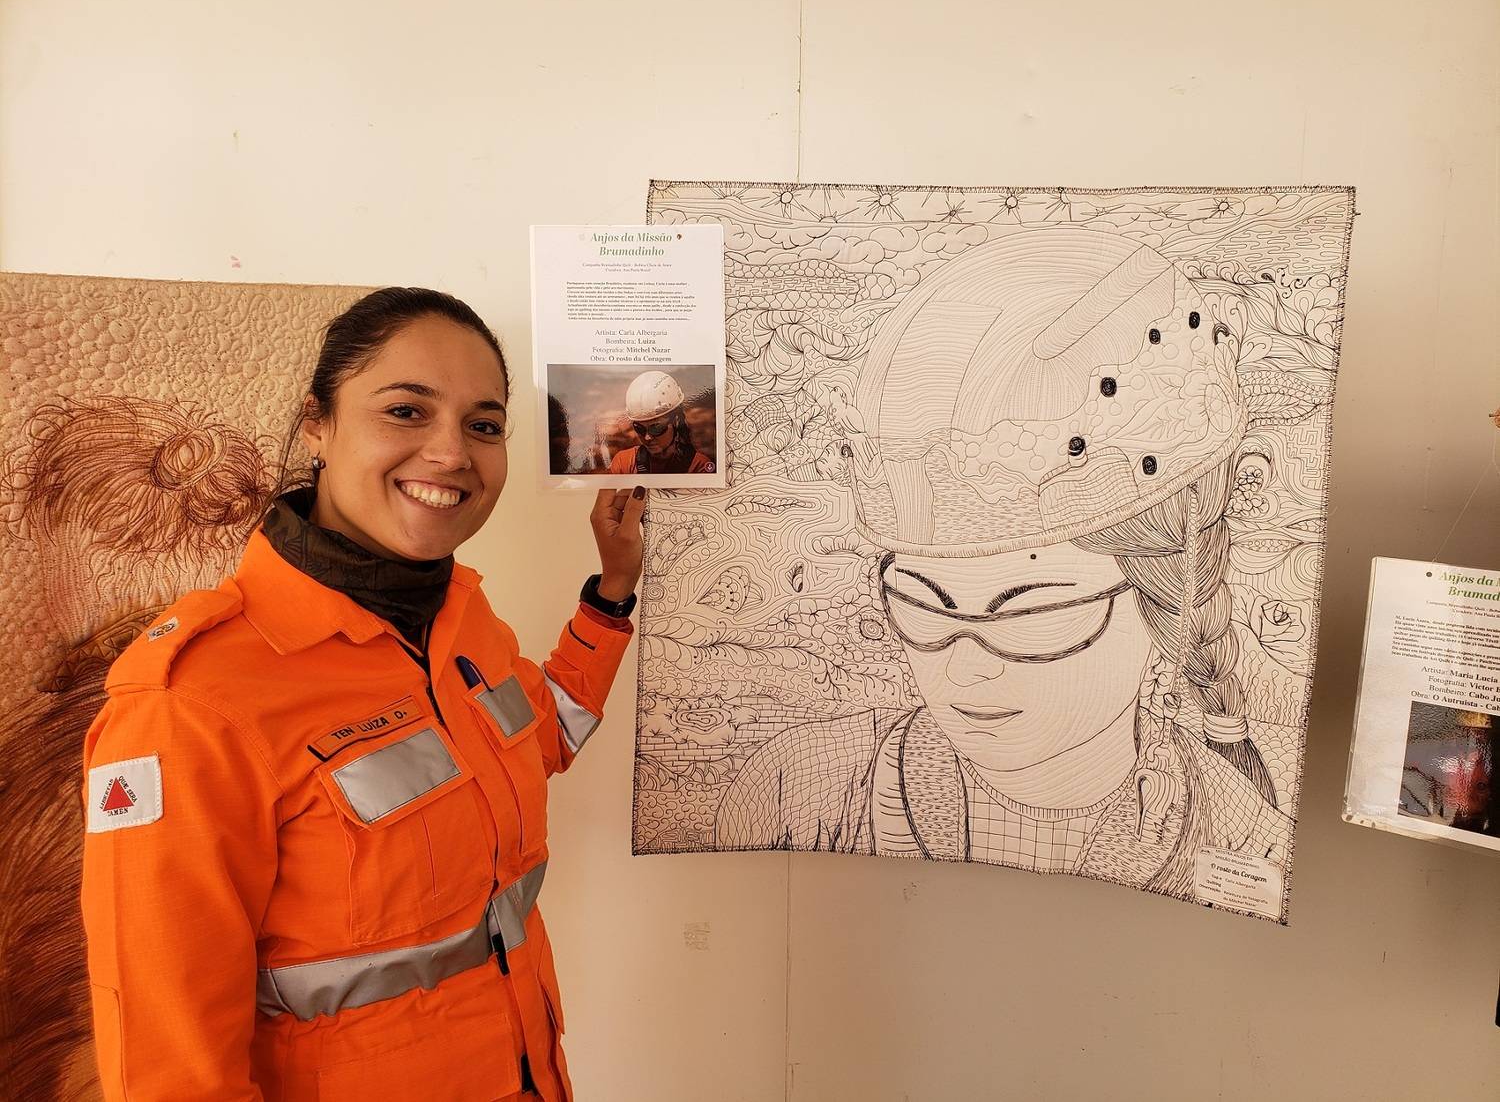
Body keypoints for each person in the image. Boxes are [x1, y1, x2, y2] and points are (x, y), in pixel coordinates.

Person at [80, 287, 645, 1101]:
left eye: (483, 425)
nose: (452, 453)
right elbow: (170, 1073)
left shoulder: (460, 617)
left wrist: (610, 596)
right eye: (407, 411)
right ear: (318, 422)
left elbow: (539, 737)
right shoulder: (190, 704)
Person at [716, 231, 1292, 900]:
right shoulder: (798, 789)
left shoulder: (1249, 843)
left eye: (1028, 615)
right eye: (924, 603)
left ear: (1164, 603)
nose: (965, 666)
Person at [607, 369, 715, 475]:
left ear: (676, 421)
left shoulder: (699, 467)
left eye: (656, 428)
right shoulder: (623, 463)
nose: (647, 437)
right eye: (640, 428)